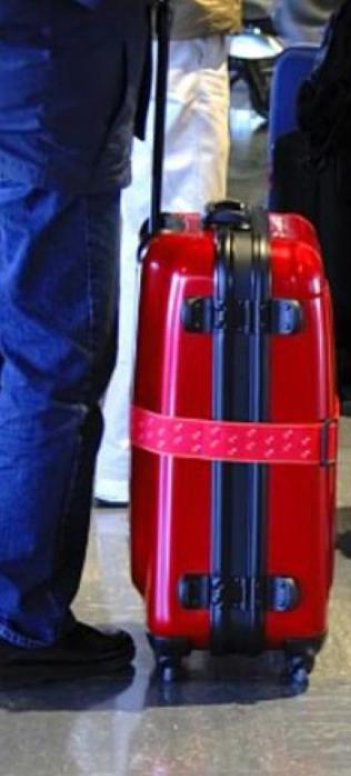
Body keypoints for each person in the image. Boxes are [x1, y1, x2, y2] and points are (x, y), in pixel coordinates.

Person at [0, 0, 151, 684]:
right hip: (54, 108)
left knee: (25, 360)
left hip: (32, 94)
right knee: (53, 366)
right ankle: (23, 620)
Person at [94, 0, 241, 509]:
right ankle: (135, 455)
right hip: (174, 37)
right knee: (173, 254)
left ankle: (112, 451)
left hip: (95, 39)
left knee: (116, 236)